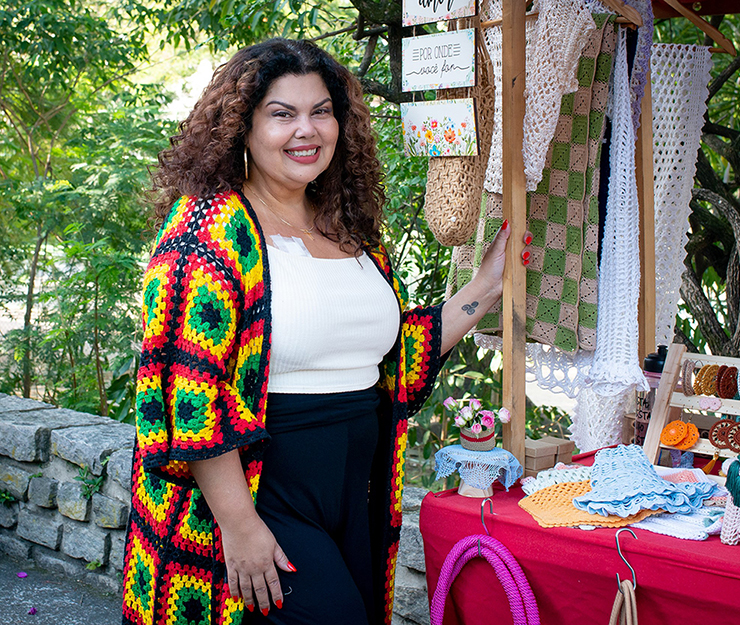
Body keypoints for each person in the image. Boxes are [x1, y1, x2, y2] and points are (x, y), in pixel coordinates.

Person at [122, 38, 508, 625]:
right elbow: (184, 389)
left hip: (354, 486)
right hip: (262, 484)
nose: (307, 130)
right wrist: (241, 525)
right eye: (282, 114)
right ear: (241, 127)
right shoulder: (206, 232)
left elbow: (389, 360)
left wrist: (486, 286)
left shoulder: (346, 227)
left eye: (321, 111)